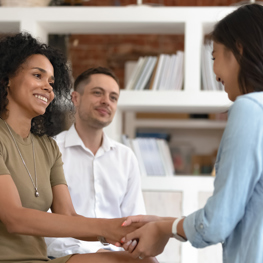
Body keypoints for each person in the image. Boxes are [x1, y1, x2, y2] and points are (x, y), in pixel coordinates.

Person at [119, 3, 263, 263]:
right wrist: (165, 222)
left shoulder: (251, 109)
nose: (215, 72)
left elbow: (217, 223)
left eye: (214, 56)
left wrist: (166, 229)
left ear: (238, 49)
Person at [0, 32, 158, 263]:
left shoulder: (47, 148)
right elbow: (15, 218)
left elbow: (69, 216)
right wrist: (107, 228)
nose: (48, 88)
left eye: (52, 83)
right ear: (7, 78)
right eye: (38, 76)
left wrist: (125, 234)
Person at [45, 67, 146, 257]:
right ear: (75, 98)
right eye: (97, 93)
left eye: (113, 97)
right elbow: (46, 224)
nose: (106, 101)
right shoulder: (51, 150)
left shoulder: (126, 157)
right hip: (67, 256)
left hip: (117, 256)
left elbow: (134, 221)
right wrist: (94, 254)